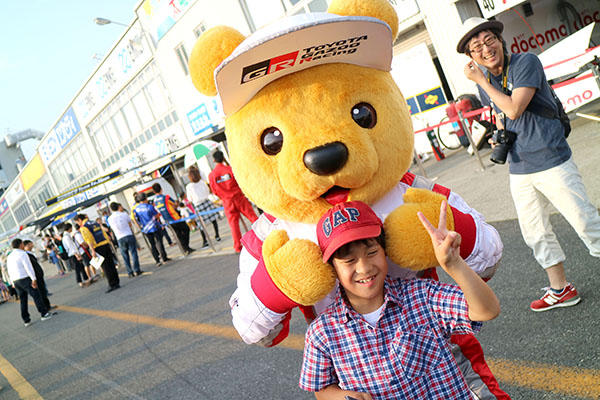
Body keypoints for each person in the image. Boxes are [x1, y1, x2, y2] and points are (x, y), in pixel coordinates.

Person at [457, 17, 600, 312]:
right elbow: (505, 115)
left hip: (550, 158)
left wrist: (481, 81)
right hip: (520, 165)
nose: (485, 49)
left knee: (585, 221)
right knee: (535, 232)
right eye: (476, 47)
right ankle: (560, 290)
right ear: (471, 57)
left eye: (488, 40)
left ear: (500, 38)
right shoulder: (488, 81)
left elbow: (514, 106)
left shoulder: (525, 63)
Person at [300, 201, 500, 398]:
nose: (364, 268)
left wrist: (455, 264)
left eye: (371, 253)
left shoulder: (421, 296)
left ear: (384, 251)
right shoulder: (322, 332)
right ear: (332, 268)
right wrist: (343, 397)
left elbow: (487, 311)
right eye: (349, 261)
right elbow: (323, 389)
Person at [208, 150, 258, 252]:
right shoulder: (230, 169)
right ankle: (265, 234)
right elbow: (240, 182)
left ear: (214, 160)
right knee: (253, 217)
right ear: (223, 158)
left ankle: (237, 246)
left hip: (227, 201)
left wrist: (223, 196)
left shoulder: (212, 175)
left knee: (233, 225)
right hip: (239, 197)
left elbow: (214, 191)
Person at [6, 239, 52, 326]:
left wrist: (12, 282)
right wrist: (33, 279)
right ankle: (44, 313)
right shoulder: (22, 254)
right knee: (36, 295)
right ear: (21, 244)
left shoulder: (10, 256)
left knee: (23, 300)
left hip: (16, 281)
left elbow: (9, 270)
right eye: (23, 243)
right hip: (25, 278)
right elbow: (28, 267)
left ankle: (26, 320)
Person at [74, 214, 120, 293]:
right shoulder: (94, 222)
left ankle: (112, 284)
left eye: (77, 222)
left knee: (105, 267)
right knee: (111, 264)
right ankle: (117, 282)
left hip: (98, 247)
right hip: (105, 244)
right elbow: (103, 233)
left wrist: (92, 251)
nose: (78, 224)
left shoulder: (84, 227)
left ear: (79, 220)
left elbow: (89, 239)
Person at [152, 183, 195, 255]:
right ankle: (186, 247)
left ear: (154, 191)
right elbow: (175, 204)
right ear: (161, 189)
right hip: (175, 218)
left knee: (178, 234)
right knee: (186, 229)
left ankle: (185, 248)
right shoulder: (166, 197)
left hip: (167, 220)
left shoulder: (155, 200)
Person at [186, 165, 221, 248]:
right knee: (213, 220)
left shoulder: (189, 186)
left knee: (201, 224)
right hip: (206, 201)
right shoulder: (202, 182)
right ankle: (217, 235)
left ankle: (205, 241)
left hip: (198, 205)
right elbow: (207, 192)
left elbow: (189, 199)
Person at [132, 192, 171, 266]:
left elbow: (136, 219)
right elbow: (157, 216)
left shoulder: (136, 209)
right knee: (159, 242)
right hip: (154, 227)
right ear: (145, 198)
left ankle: (157, 260)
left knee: (152, 244)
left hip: (146, 229)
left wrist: (140, 227)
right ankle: (164, 257)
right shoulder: (149, 206)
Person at [108, 202, 143, 277]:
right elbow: (130, 224)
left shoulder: (110, 218)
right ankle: (137, 270)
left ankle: (130, 272)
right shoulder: (124, 214)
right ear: (118, 207)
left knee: (125, 255)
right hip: (128, 234)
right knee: (133, 253)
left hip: (120, 237)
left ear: (111, 209)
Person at [22, 240, 55, 311]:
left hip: (38, 275)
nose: (32, 245)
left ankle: (47, 306)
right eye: (31, 244)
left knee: (43, 291)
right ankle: (46, 307)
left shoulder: (30, 253)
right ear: (26, 246)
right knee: (41, 292)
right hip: (36, 276)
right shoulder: (26, 255)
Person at [61, 223, 91, 288]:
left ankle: (85, 279)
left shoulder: (66, 236)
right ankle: (80, 281)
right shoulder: (66, 237)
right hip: (73, 254)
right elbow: (71, 246)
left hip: (73, 254)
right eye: (71, 228)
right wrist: (76, 254)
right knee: (78, 268)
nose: (71, 229)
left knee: (81, 266)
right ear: (69, 228)